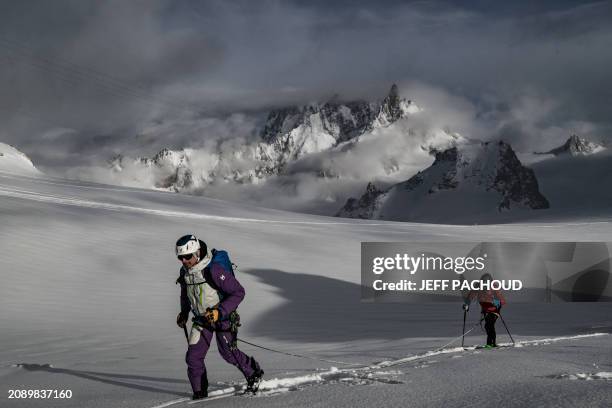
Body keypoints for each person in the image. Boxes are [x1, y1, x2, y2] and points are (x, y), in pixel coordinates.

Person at [174, 234, 263, 400]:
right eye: (180, 258)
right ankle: (200, 394)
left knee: (228, 353)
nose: (184, 261)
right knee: (193, 358)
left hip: (223, 318)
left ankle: (254, 373)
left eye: (187, 257)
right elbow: (185, 294)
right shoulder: (185, 271)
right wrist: (184, 312)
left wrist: (219, 311)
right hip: (202, 319)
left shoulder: (213, 269)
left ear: (197, 252)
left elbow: (238, 292)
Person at [462, 273, 506, 348]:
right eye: (484, 283)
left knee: (489, 325)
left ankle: (491, 344)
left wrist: (494, 302)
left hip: (495, 309)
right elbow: (470, 296)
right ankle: (491, 344)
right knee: (487, 326)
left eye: (487, 283)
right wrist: (467, 304)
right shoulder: (478, 286)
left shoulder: (494, 287)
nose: (485, 285)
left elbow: (502, 301)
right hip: (485, 309)